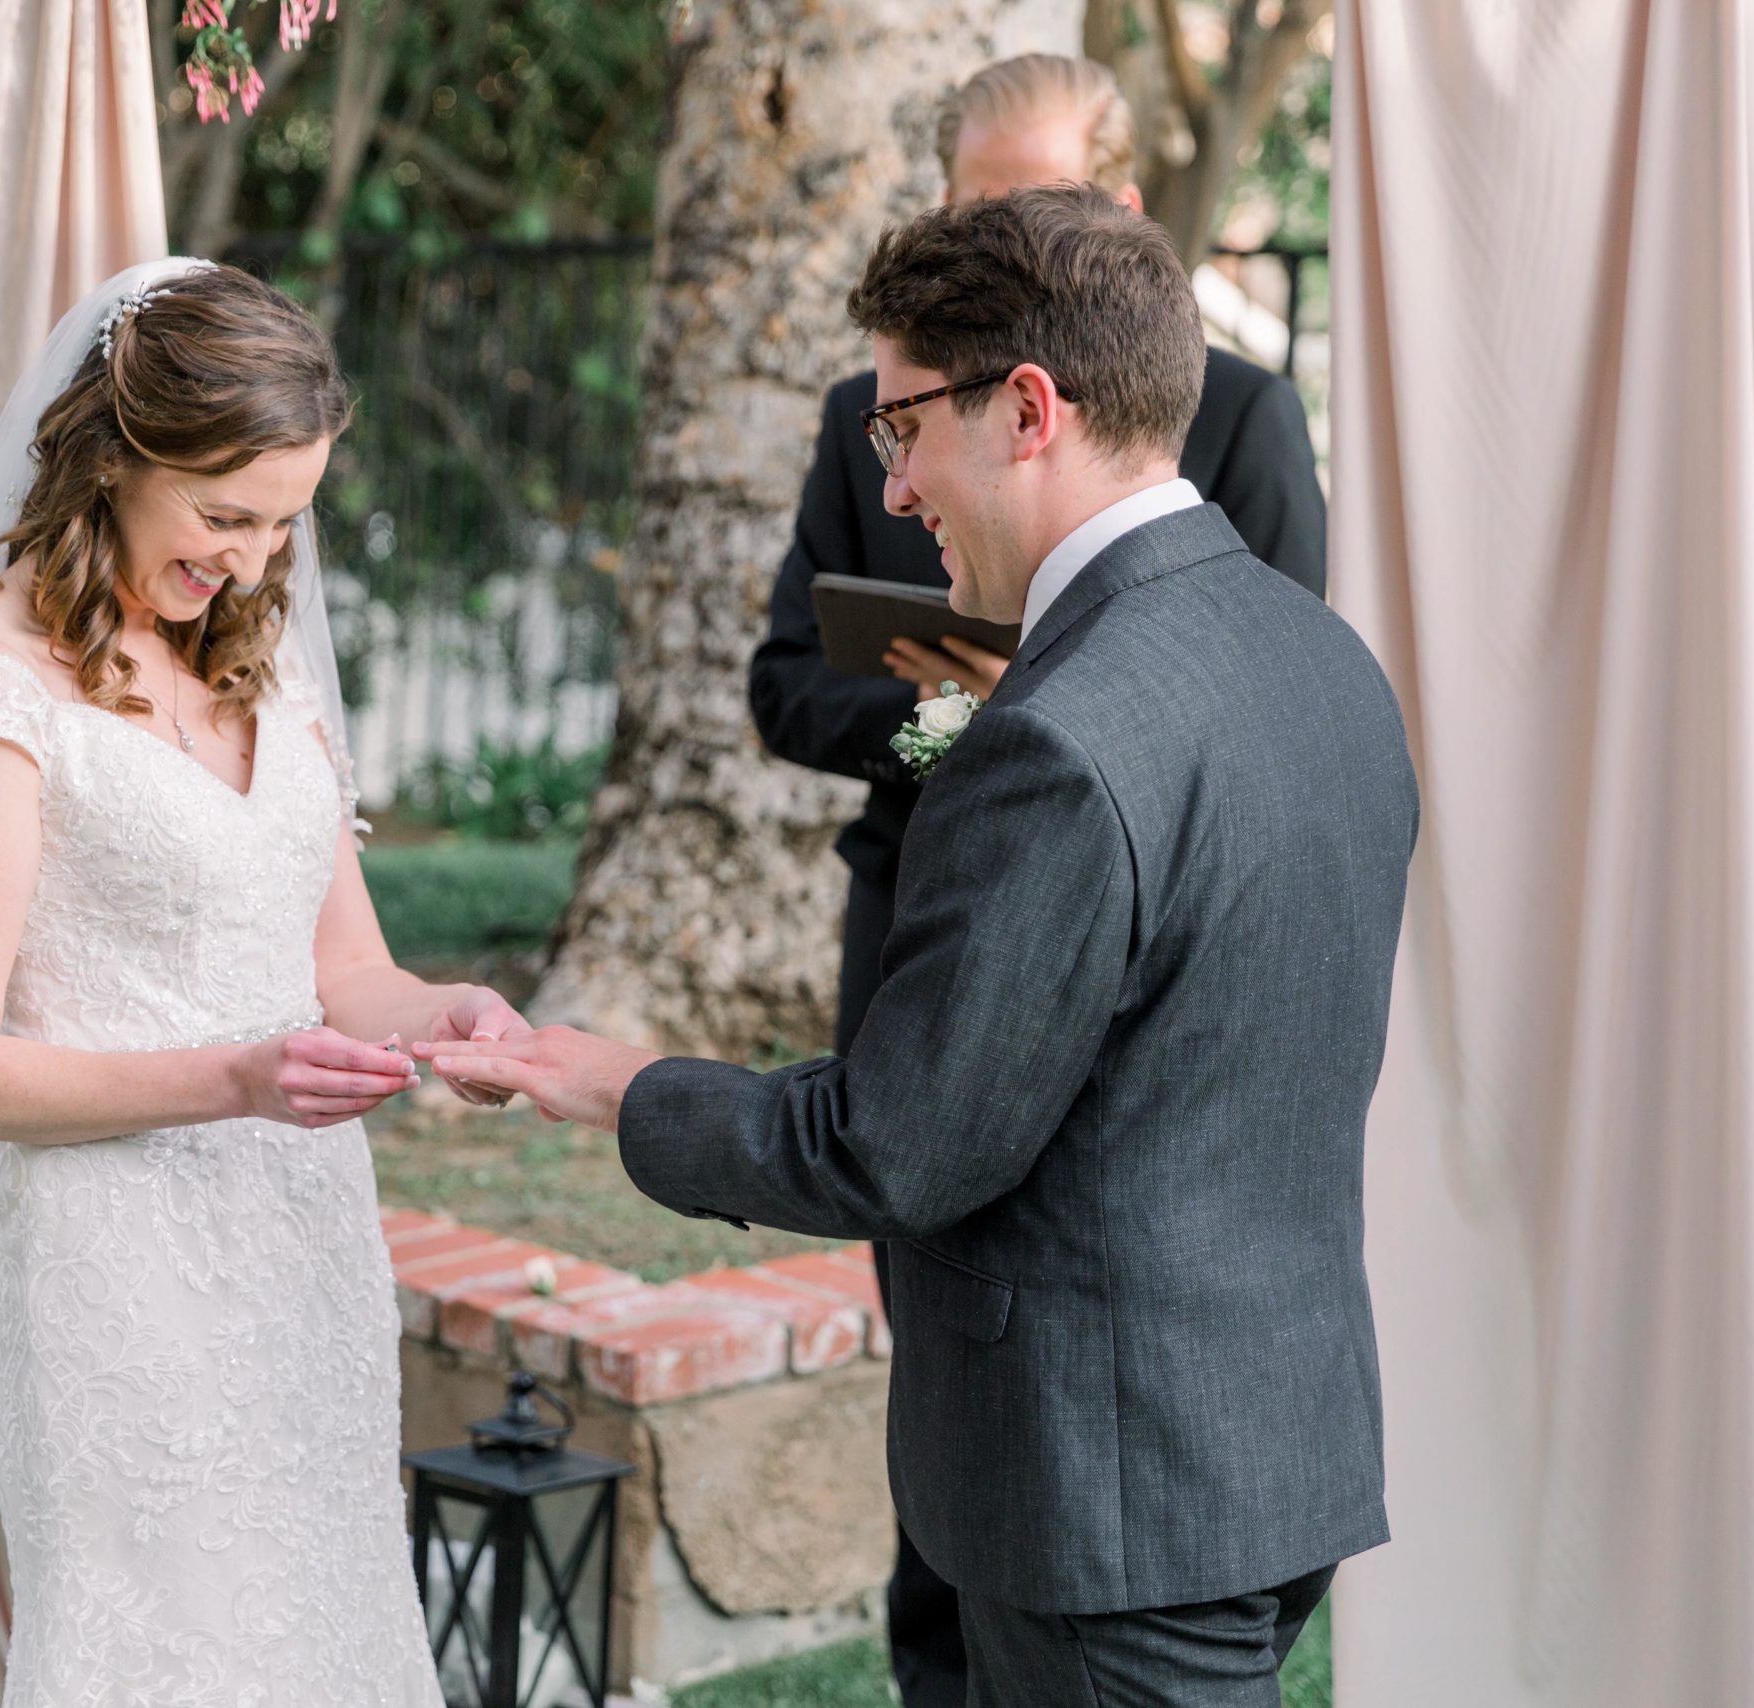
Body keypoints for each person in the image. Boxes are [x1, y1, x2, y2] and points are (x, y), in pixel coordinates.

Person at [417, 187, 1419, 1708]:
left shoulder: (1059, 740)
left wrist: (621, 1085)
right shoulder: (1325, 662)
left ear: (1028, 409)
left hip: (1109, 1500)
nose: (891, 489)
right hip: (1273, 1452)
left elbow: (897, 1148)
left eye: (902, 429)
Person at [745, 54, 1330, 1703]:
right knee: (947, 1331)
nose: (904, 472)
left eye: (1030, 201)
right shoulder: (881, 414)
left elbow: (1255, 701)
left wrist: (1068, 709)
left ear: (1120, 211)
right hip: (925, 912)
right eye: (969, 204)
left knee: (1095, 1313)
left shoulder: (1246, 418)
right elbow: (789, 683)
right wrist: (965, 709)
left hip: (1148, 948)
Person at [0, 259, 519, 1706]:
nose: (249, 561)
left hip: (304, 1246)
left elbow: (343, 965)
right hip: (112, 1276)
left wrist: (444, 1014)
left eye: (285, 525)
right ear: (112, 458)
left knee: (324, 1627)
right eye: (224, 516)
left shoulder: (260, 665)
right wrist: (229, 1078)